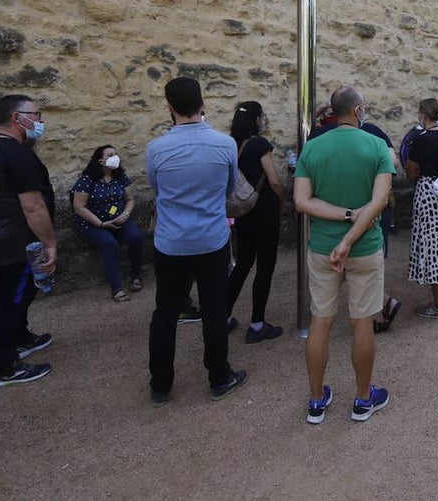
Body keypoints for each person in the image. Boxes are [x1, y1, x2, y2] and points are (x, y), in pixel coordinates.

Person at [295, 86, 393, 424]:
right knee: (362, 321)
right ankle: (364, 399)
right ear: (358, 109)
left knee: (320, 320)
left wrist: (341, 224)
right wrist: (351, 232)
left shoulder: (312, 147)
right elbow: (380, 201)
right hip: (364, 247)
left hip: (323, 247)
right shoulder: (377, 145)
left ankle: (316, 400)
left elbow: (302, 202)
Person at [146, 77, 246, 405]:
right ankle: (219, 376)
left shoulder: (157, 148)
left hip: (172, 241)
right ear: (201, 103)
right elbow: (231, 188)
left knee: (165, 312)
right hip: (211, 238)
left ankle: (160, 383)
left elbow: (158, 191)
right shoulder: (225, 144)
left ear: (170, 107)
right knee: (214, 310)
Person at [0, 96, 56, 385]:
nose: (40, 121)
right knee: (10, 300)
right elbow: (32, 206)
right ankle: (3, 366)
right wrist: (49, 243)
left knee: (19, 294)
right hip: (17, 244)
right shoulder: (16, 155)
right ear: (18, 118)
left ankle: (20, 337)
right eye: (36, 115)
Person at [224, 101, 288, 343]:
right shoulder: (260, 144)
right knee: (265, 267)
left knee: (242, 264)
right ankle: (258, 324)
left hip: (243, 211)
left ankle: (223, 316)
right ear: (257, 119)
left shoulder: (231, 144)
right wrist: (282, 200)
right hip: (264, 212)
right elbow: (273, 180)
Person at [70, 145, 145, 302]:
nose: (115, 157)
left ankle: (136, 276)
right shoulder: (87, 179)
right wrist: (101, 224)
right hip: (92, 223)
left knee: (136, 237)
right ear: (101, 161)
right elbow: (79, 206)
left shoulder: (120, 176)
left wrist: (125, 214)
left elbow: (129, 200)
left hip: (118, 219)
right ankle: (116, 288)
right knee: (109, 244)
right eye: (110, 155)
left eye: (116, 154)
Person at [405, 98, 438, 319]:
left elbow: (411, 171)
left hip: (428, 193)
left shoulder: (420, 140)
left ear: (422, 114)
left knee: (431, 246)